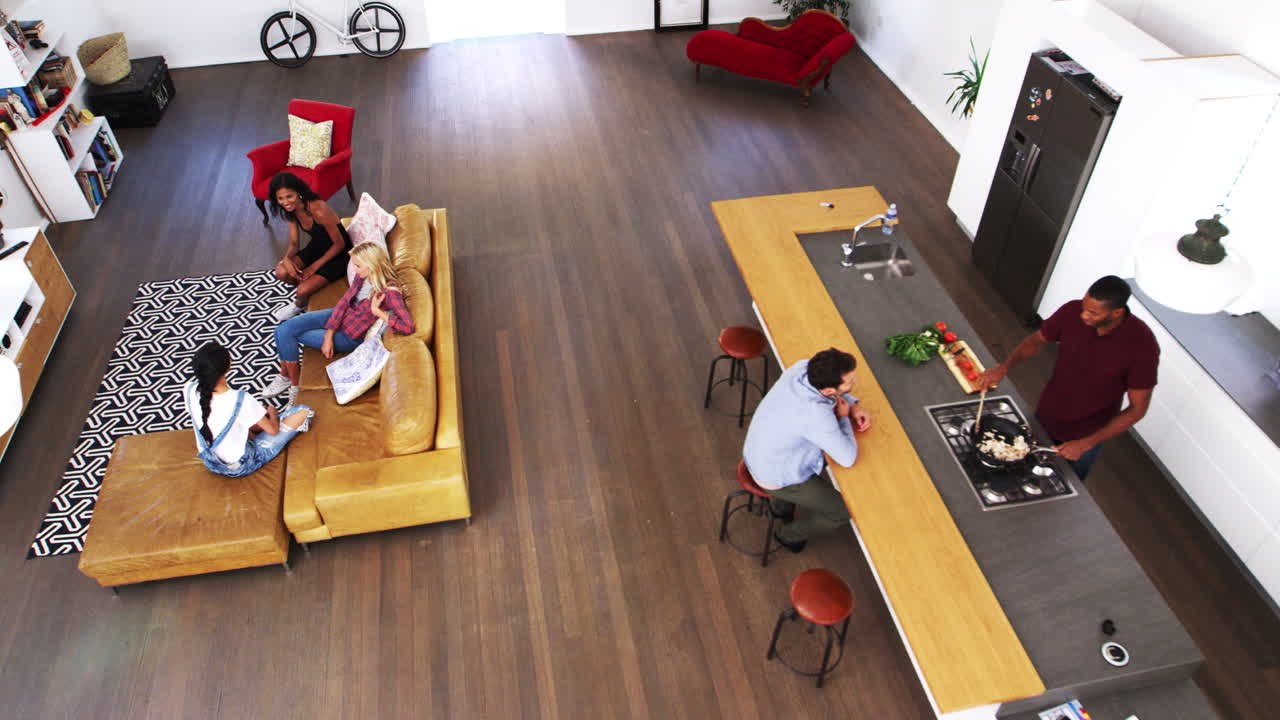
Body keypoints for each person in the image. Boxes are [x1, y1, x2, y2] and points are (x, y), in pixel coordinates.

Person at [976, 275, 1159, 480]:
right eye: (1084, 307)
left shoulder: (1142, 346)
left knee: (1065, 483)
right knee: (1020, 469)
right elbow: (1037, 341)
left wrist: (1086, 443)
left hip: (1087, 435)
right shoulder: (1072, 311)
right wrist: (1004, 367)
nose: (1083, 316)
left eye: (1092, 313)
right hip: (1046, 415)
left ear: (1117, 312)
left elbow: (1137, 409)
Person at [743, 347, 872, 552]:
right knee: (842, 510)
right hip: (775, 476)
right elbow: (847, 458)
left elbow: (833, 395)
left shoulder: (803, 368)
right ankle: (788, 535)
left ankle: (780, 508)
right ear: (829, 390)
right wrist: (845, 417)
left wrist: (853, 404)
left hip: (759, 452)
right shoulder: (814, 413)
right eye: (849, 382)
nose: (854, 381)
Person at [262, 242, 415, 404]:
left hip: (351, 336)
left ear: (371, 265)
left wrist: (378, 312)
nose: (355, 270)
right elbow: (345, 301)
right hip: (344, 316)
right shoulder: (363, 276)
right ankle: (286, 377)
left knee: (285, 332)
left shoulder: (390, 293)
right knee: (284, 328)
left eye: (357, 265)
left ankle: (294, 386)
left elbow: (408, 326)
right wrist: (329, 334)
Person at [186, 341, 314, 477]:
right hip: (243, 464)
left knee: (248, 419)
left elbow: (214, 415)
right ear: (228, 366)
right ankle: (260, 426)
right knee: (303, 411)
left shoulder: (188, 388)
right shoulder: (240, 399)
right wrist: (272, 412)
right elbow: (273, 430)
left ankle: (255, 425)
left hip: (211, 460)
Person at [268, 172, 354, 322]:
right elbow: (294, 243)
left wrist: (313, 268)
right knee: (281, 271)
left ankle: (299, 303)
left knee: (302, 290)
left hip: (339, 253)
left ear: (298, 192)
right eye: (280, 198)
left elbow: (339, 244)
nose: (285, 202)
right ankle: (308, 291)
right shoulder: (291, 210)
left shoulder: (318, 209)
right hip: (317, 247)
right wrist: (286, 258)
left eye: (289, 196)